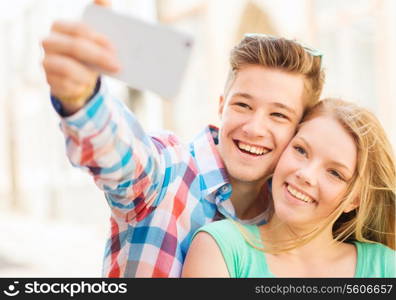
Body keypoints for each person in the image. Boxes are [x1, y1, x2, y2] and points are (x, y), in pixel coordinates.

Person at [41, 0, 324, 277]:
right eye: (243, 105)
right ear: (222, 106)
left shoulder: (286, 213)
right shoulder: (167, 171)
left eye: (278, 115)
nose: (254, 128)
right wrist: (81, 99)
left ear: (299, 130)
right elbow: (122, 152)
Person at [182, 98, 396, 278]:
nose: (306, 175)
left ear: (354, 200)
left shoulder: (385, 267)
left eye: (334, 173)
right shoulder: (221, 247)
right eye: (301, 150)